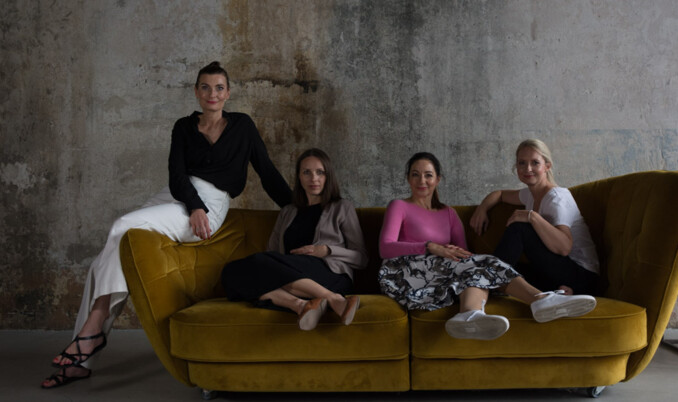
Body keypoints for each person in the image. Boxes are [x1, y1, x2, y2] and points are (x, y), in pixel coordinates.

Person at [41, 62, 292, 388]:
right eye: (205, 87)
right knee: (109, 255)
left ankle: (92, 329)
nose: (212, 94)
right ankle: (82, 361)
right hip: (177, 197)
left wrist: (296, 208)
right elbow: (176, 176)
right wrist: (193, 204)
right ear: (196, 92)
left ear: (228, 93)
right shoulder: (183, 127)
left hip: (211, 205)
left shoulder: (242, 126)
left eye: (219, 88)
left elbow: (268, 173)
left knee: (122, 227)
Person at [378, 152, 597, 341]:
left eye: (428, 175)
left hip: (440, 272)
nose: (421, 181)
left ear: (438, 179)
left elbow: (465, 256)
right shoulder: (399, 206)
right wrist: (430, 246)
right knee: (485, 263)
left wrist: (454, 254)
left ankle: (470, 315)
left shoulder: (449, 213)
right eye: (415, 174)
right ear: (408, 179)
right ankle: (540, 299)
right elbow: (385, 248)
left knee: (477, 265)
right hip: (403, 272)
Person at [221, 148, 367, 330]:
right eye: (306, 172)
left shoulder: (342, 207)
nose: (313, 178)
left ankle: (333, 297)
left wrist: (325, 250)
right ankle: (302, 305)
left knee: (257, 269)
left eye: (320, 172)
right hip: (290, 273)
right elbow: (271, 253)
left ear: (328, 176)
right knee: (230, 273)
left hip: (330, 274)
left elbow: (361, 258)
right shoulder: (288, 212)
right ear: (299, 177)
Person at [469, 139, 599, 296]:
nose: (528, 168)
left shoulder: (557, 198)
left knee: (520, 227)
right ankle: (550, 295)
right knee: (512, 270)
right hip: (557, 273)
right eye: (522, 163)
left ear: (547, 166)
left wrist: (532, 217)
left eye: (535, 163)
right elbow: (500, 194)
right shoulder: (529, 194)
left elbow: (564, 248)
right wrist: (482, 209)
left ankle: (486, 282)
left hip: (582, 276)